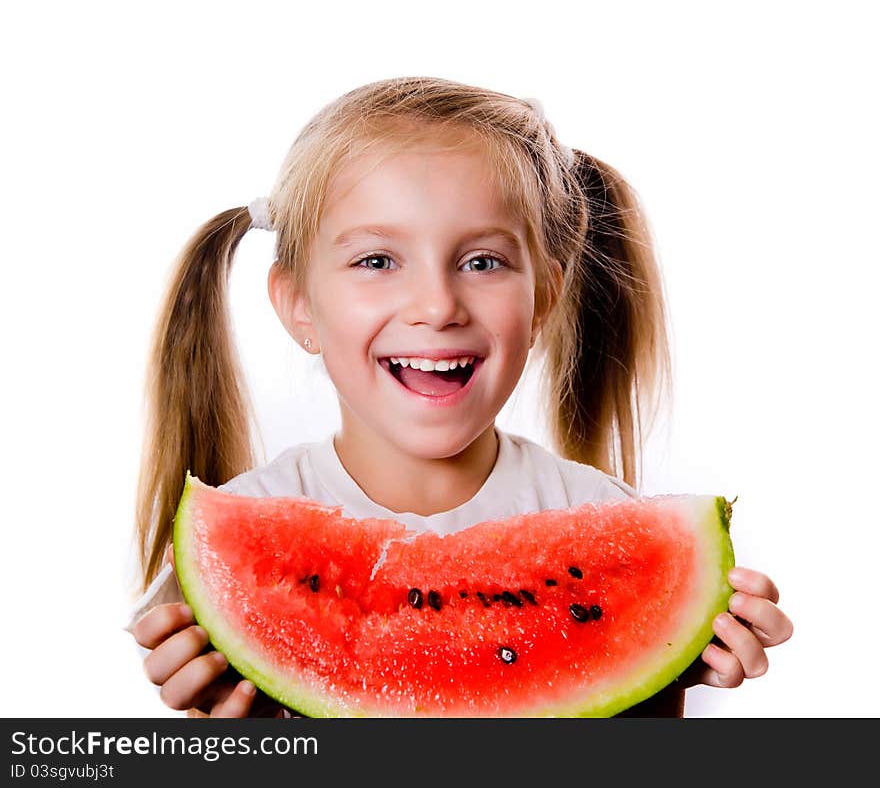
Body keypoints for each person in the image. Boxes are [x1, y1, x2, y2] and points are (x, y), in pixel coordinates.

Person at [127, 76, 793, 718]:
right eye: (378, 261)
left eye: (482, 262)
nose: (437, 306)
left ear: (543, 301)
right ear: (299, 306)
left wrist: (659, 683)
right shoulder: (227, 546)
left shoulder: (597, 516)